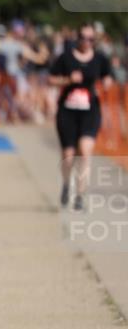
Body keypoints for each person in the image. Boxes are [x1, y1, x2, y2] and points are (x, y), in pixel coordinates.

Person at [48, 23, 113, 211]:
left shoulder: (100, 59)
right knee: (68, 156)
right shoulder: (65, 57)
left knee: (85, 151)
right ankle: (67, 184)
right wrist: (67, 80)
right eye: (83, 38)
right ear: (77, 38)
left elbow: (107, 77)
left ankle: (80, 196)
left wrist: (107, 82)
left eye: (91, 39)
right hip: (67, 111)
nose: (86, 42)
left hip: (90, 111)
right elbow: (51, 79)